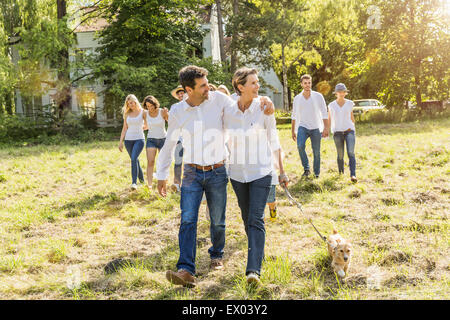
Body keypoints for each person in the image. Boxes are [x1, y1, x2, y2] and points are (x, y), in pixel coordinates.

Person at [155, 65, 275, 288]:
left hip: (218, 170)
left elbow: (246, 101)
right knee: (188, 219)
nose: (207, 88)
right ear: (188, 90)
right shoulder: (177, 111)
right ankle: (186, 270)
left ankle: (216, 254)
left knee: (218, 221)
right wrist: (161, 175)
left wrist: (266, 99)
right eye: (202, 86)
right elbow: (169, 143)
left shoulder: (219, 100)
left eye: (207, 84)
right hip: (191, 172)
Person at [224, 67, 288, 284]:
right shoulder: (228, 109)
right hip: (237, 173)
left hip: (261, 171)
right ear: (240, 86)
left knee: (255, 218)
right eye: (253, 83)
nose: (258, 86)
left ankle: (253, 271)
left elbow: (274, 139)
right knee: (245, 217)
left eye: (257, 82)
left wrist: (282, 171)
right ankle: (257, 252)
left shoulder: (264, 108)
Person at [291, 74, 330, 178]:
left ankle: (316, 173)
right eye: (305, 83)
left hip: (316, 127)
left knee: (316, 151)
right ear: (301, 84)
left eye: (309, 83)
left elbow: (324, 112)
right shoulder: (297, 98)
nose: (308, 85)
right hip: (302, 126)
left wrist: (326, 127)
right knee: (300, 146)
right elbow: (294, 115)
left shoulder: (318, 96)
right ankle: (307, 169)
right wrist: (292, 131)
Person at [328, 83, 357, 183]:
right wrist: (326, 130)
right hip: (337, 132)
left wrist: (353, 127)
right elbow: (329, 119)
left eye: (343, 92)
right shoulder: (331, 105)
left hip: (349, 131)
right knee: (340, 155)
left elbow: (352, 117)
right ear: (336, 93)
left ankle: (353, 174)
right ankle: (341, 173)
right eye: (339, 92)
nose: (341, 93)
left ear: (345, 93)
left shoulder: (350, 103)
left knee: (351, 152)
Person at [118, 94, 148, 190]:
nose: (130, 105)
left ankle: (134, 183)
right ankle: (142, 181)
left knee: (134, 158)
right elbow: (124, 128)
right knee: (135, 160)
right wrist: (120, 142)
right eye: (128, 103)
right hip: (128, 141)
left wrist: (142, 128)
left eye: (131, 102)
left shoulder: (143, 112)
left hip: (139, 139)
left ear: (135, 101)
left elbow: (147, 125)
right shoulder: (127, 114)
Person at [142, 95, 168, 189]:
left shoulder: (162, 111)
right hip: (151, 139)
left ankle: (163, 182)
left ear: (155, 104)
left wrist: (167, 114)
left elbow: (170, 122)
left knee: (162, 162)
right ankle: (149, 184)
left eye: (151, 105)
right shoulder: (145, 113)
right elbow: (146, 126)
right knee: (150, 161)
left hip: (163, 139)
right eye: (148, 106)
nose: (150, 108)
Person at [170, 85, 186, 192]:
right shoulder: (174, 107)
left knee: (191, 162)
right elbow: (171, 122)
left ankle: (189, 184)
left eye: (182, 92)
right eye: (179, 93)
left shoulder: (193, 105)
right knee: (178, 161)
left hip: (191, 138)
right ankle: (176, 183)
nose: (181, 95)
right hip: (179, 138)